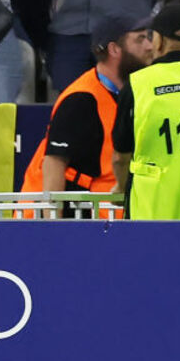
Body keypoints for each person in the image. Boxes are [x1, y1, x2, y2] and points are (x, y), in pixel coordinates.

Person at [19, 15, 152, 218]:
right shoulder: (81, 99)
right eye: (140, 39)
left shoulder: (132, 93)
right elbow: (54, 163)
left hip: (100, 214)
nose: (150, 46)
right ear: (114, 49)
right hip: (65, 217)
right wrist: (51, 225)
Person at [111, 3, 180, 220]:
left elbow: (120, 157)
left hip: (155, 219)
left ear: (159, 41)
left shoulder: (138, 85)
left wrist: (121, 188)